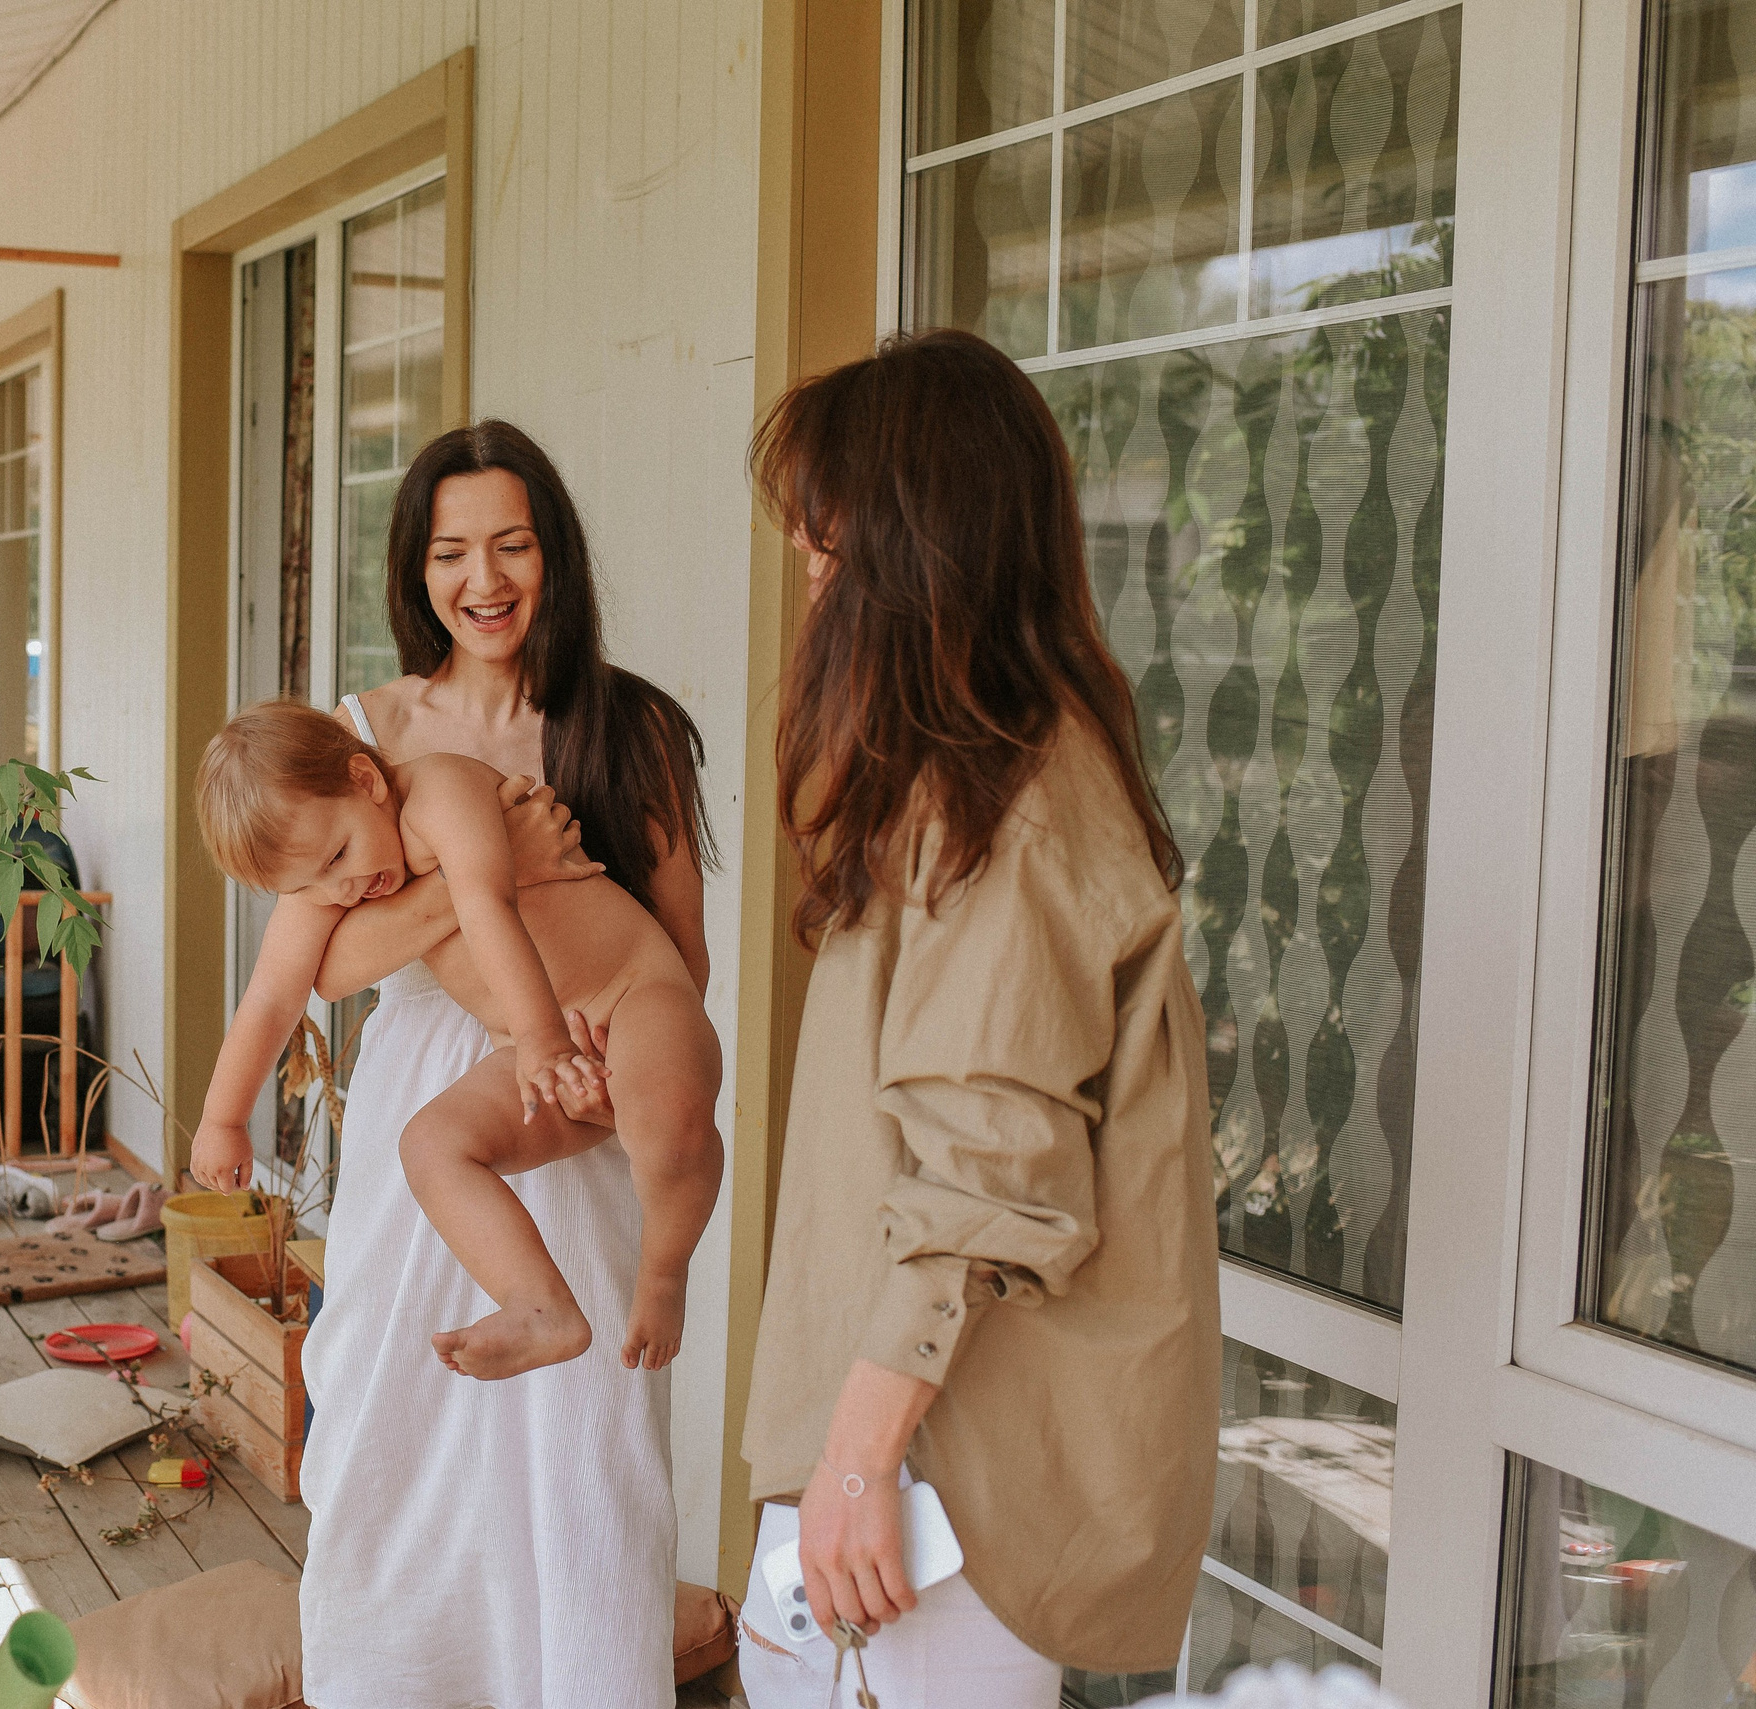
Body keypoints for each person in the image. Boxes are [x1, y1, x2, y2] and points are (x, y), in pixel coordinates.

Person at [736, 329, 1222, 1707]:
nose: (809, 582)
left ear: (908, 553)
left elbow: (985, 1173)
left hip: (942, 1486)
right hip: (923, 1463)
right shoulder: (979, 779)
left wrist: (854, 1462)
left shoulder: (996, 805)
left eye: (826, 551)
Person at [221, 420, 710, 1709]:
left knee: (583, 1439)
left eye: (510, 544)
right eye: (450, 552)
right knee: (395, 1400)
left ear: (554, 554)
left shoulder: (629, 726)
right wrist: (477, 882)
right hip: (426, 1098)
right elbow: (323, 966)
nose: (481, 579)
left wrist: (581, 1021)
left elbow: (683, 959)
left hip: (576, 1082)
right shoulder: (363, 734)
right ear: (415, 569)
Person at [191, 698, 723, 1378]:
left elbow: (485, 901)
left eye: (340, 855)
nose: (342, 887)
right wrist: (223, 1116)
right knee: (431, 1145)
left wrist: (544, 1039)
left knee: (670, 1119)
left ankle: (665, 1272)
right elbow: (272, 996)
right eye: (313, 883)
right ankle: (539, 1304)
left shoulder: (441, 790)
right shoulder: (325, 863)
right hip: (535, 1052)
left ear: (365, 779)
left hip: (634, 990)